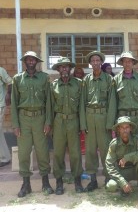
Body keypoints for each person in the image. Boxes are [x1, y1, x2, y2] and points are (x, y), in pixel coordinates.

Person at [11, 51, 54, 197]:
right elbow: (14, 103)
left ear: (36, 62)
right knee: (23, 152)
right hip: (23, 120)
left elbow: (49, 102)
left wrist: (48, 121)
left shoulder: (43, 78)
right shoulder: (17, 79)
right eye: (28, 59)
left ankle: (45, 182)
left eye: (33, 60)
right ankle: (26, 184)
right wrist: (15, 124)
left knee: (42, 151)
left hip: (40, 118)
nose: (30, 62)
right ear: (25, 62)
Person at [80, 51, 117, 192]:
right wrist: (83, 124)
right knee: (90, 151)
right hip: (89, 117)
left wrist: (110, 124)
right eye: (93, 61)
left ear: (101, 63)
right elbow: (82, 103)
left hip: (103, 117)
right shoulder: (86, 80)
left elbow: (112, 102)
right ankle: (93, 180)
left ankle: (108, 178)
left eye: (97, 60)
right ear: (90, 63)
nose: (95, 63)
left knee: (105, 150)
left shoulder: (108, 79)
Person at [50, 57, 84, 195]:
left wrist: (82, 125)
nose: (64, 69)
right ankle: (59, 181)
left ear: (70, 69)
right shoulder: (53, 85)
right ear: (58, 69)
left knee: (75, 152)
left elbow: (81, 106)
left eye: (67, 67)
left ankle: (77, 180)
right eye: (61, 67)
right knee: (58, 152)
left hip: (73, 120)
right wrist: (50, 124)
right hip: (58, 121)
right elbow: (50, 107)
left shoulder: (79, 84)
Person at [105, 116, 138, 205]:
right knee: (111, 186)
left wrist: (129, 157)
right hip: (122, 172)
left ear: (130, 129)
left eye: (127, 127)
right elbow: (109, 164)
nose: (125, 130)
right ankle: (124, 188)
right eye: (122, 128)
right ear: (118, 129)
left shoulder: (137, 140)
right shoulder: (114, 144)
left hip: (137, 171)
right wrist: (122, 182)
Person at [114, 51, 138, 142]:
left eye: (129, 61)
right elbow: (114, 102)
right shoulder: (116, 79)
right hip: (123, 118)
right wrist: (114, 121)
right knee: (124, 145)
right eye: (125, 61)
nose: (127, 63)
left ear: (133, 63)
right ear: (122, 63)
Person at [0, 66, 12, 167]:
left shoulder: (1, 71)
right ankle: (5, 157)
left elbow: (10, 82)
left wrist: (8, 94)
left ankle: (4, 158)